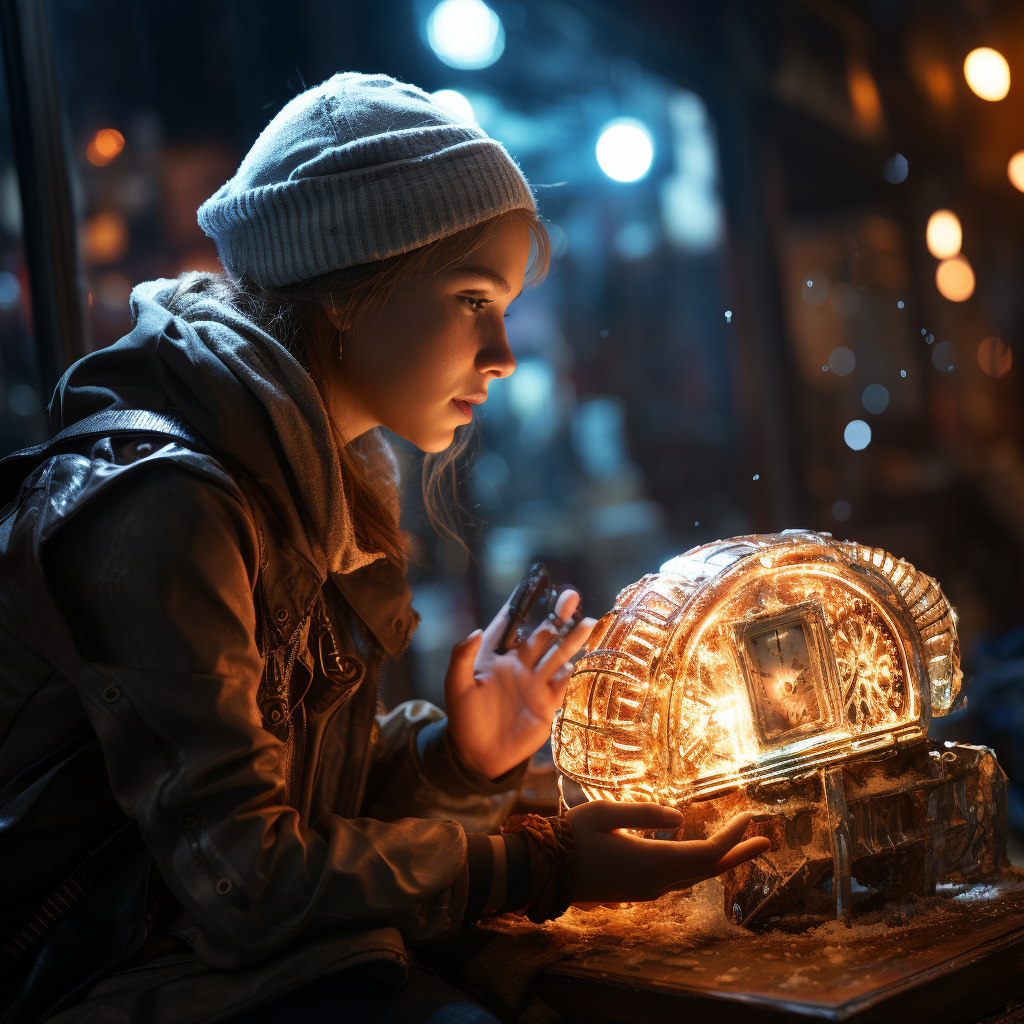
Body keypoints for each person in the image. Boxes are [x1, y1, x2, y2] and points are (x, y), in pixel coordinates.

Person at [0, 73, 769, 1024]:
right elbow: (243, 880)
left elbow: (304, 819)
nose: (504, 354)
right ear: (351, 291)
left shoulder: (305, 479)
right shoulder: (168, 503)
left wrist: (460, 759)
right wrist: (543, 861)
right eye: (472, 298)